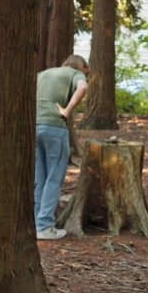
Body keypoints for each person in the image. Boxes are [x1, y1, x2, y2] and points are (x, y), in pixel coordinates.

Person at [34, 55, 89, 240]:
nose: (85, 75)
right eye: (86, 72)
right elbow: (83, 87)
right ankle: (44, 226)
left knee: (40, 178)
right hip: (54, 126)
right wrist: (67, 110)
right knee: (54, 177)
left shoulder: (43, 74)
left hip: (34, 126)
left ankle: (36, 223)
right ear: (81, 66)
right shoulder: (75, 74)